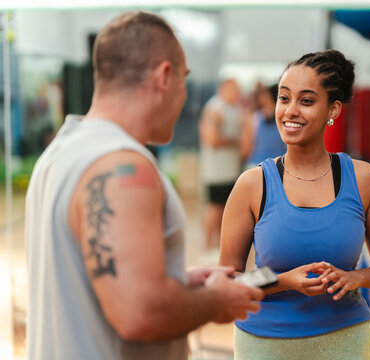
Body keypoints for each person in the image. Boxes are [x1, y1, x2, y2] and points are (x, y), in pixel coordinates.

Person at [24, 12, 263, 360]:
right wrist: (216, 301)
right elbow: (140, 313)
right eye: (184, 79)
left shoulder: (61, 151)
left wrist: (176, 280)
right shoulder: (123, 167)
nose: (183, 97)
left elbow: (96, 282)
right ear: (165, 77)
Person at [219, 50, 370, 359]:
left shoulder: (363, 179)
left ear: (334, 109)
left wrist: (356, 277)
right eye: (283, 98)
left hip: (344, 340)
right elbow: (227, 283)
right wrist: (285, 281)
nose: (290, 111)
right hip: (264, 343)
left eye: (306, 101)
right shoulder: (252, 184)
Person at [199, 78, 244, 251]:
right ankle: (207, 245)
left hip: (231, 169)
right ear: (222, 89)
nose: (236, 93)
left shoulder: (235, 109)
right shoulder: (214, 109)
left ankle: (218, 245)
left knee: (226, 208)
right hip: (216, 170)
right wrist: (237, 141)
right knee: (214, 207)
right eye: (233, 89)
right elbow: (211, 139)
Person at [243, 83, 287, 169]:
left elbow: (245, 150)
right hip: (279, 167)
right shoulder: (285, 119)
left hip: (257, 166)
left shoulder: (253, 118)